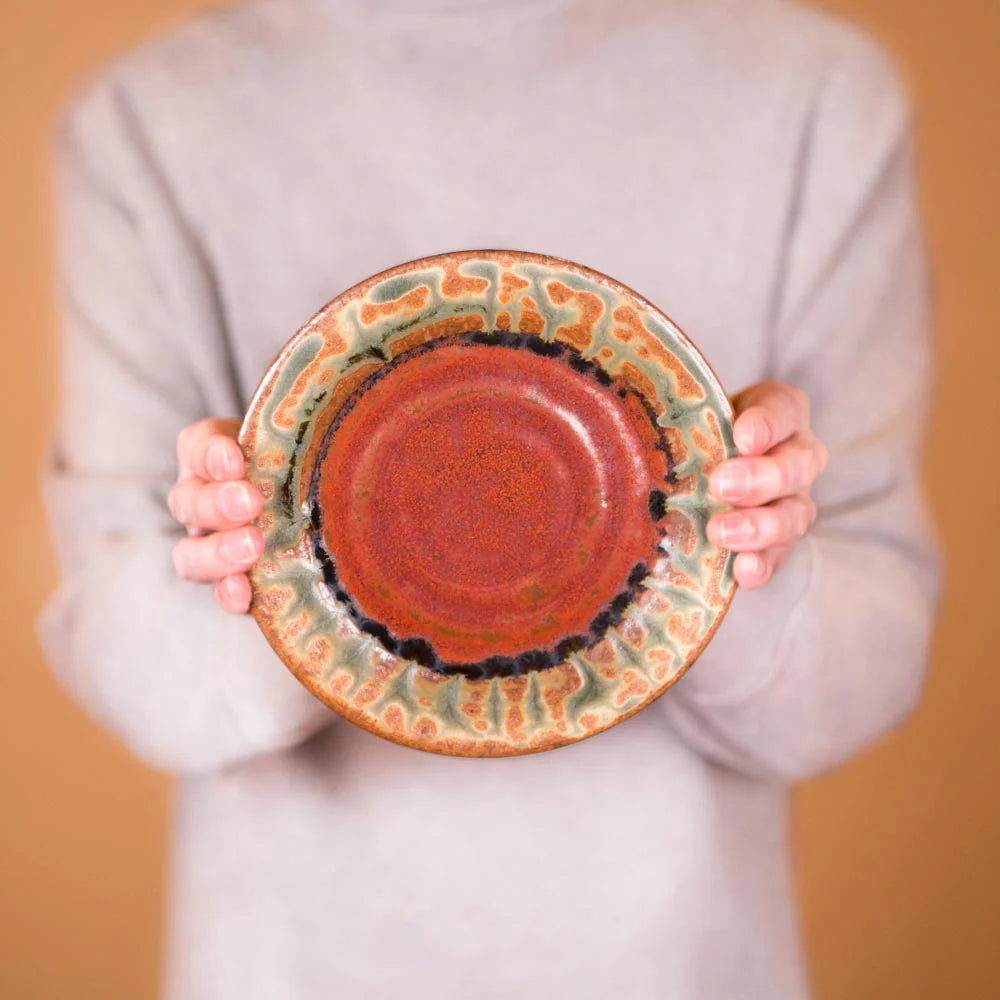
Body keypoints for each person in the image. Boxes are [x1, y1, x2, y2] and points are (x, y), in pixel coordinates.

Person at [36, 0, 941, 997]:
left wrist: (738, 554)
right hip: (290, 964)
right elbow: (120, 638)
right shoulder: (152, 123)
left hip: (682, 966)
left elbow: (869, 666)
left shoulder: (812, 98)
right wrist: (271, 590)